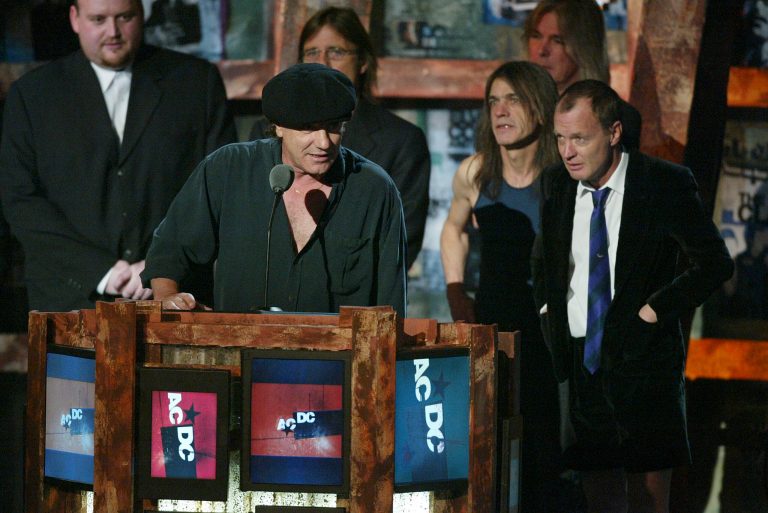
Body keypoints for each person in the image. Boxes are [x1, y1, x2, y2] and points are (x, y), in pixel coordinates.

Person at [532, 79, 734, 512]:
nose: (567, 152)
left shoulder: (662, 182)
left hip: (645, 365)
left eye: (579, 139)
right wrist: (551, 314)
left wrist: (652, 312)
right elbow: (543, 263)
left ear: (614, 132)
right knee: (599, 500)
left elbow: (715, 263)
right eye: (560, 139)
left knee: (648, 503)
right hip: (582, 366)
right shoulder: (557, 185)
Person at [0, 0, 236, 312]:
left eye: (125, 17)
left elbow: (219, 190)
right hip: (68, 301)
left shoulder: (196, 82)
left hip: (177, 298)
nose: (113, 32)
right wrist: (102, 271)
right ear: (75, 18)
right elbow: (20, 199)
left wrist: (160, 267)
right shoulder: (32, 94)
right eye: (98, 19)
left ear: (142, 14)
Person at [142, 63, 407, 318]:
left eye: (334, 127)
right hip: (238, 345)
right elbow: (169, 252)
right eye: (308, 128)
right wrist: (168, 298)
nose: (324, 142)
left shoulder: (374, 189)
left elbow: (391, 302)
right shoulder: (228, 169)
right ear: (278, 126)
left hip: (339, 349)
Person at [440, 61, 566, 510]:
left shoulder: (563, 176)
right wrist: (456, 291)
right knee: (488, 445)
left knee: (545, 450)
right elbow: (453, 228)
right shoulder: (476, 172)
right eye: (493, 101)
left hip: (551, 330)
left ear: (541, 107)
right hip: (493, 321)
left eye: (513, 99)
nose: (500, 110)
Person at [251, 6, 430, 271]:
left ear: (363, 62)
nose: (322, 62)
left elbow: (400, 244)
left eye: (336, 52)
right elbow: (252, 223)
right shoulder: (268, 130)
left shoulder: (402, 140)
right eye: (312, 52)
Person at [524, 0, 642, 150]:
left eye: (557, 40)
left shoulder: (619, 117)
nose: (542, 50)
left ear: (584, 47)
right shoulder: (512, 110)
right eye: (536, 36)